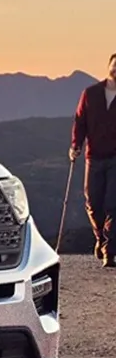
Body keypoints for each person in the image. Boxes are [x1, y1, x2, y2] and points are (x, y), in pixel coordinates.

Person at [70, 53, 116, 267]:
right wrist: (75, 145)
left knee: (113, 205)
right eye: (115, 66)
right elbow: (80, 121)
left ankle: (110, 250)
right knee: (93, 203)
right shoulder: (90, 94)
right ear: (109, 66)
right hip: (93, 156)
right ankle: (100, 238)